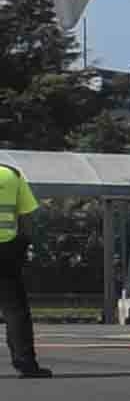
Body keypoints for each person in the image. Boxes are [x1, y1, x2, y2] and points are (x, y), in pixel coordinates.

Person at [0, 152, 42, 376]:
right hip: (6, 249)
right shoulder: (11, 175)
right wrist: (24, 243)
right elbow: (26, 215)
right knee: (15, 308)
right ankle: (25, 361)